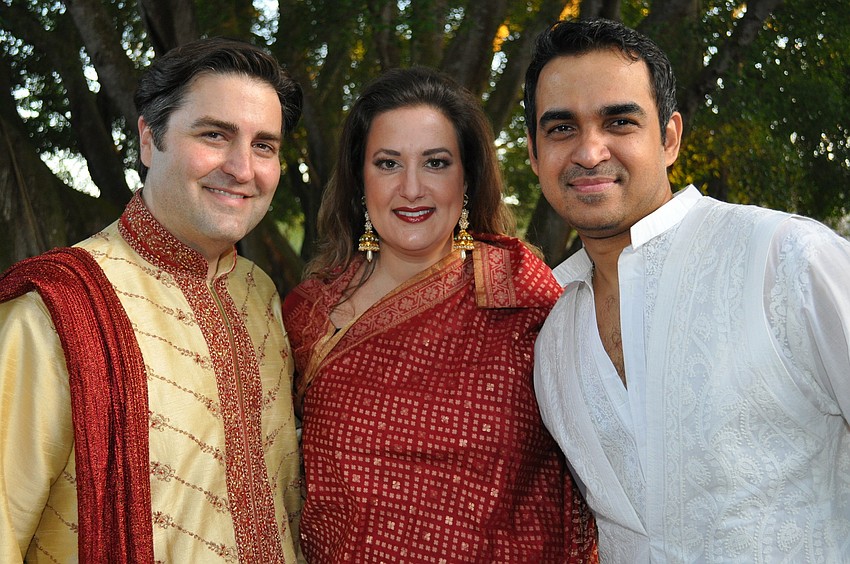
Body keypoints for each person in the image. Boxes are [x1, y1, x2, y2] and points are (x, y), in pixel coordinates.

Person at [524, 17, 850, 562]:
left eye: (620, 122)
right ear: (534, 155)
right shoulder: (547, 323)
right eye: (561, 129)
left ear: (669, 138)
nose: (589, 151)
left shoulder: (786, 258)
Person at [0, 37, 305, 563]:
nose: (242, 168)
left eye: (264, 146)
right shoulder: (54, 311)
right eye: (215, 135)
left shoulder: (261, 295)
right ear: (149, 138)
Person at [282, 66, 597, 563]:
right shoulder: (310, 317)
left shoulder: (519, 291)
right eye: (387, 163)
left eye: (435, 162)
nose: (411, 188)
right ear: (359, 179)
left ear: (466, 177)